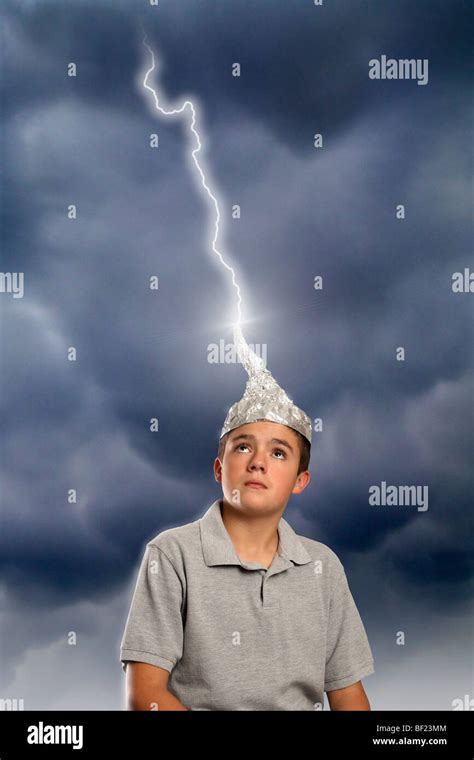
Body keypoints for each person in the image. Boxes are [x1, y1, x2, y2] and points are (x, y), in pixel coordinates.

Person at [120, 327, 375, 710]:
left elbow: (349, 695)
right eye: (243, 447)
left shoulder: (323, 567)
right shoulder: (173, 555)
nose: (257, 462)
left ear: (300, 481)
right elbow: (145, 696)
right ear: (219, 468)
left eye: (278, 453)